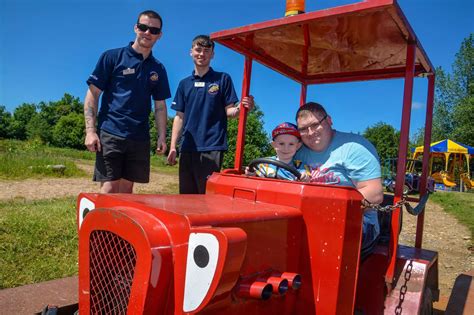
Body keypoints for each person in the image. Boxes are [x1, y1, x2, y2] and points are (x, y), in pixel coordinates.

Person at [84, 10, 171, 194]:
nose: (148, 33)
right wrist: (91, 131)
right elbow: (93, 95)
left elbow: (160, 106)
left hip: (139, 136)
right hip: (111, 131)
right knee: (109, 187)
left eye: (154, 30)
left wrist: (162, 137)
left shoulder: (158, 68)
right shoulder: (112, 57)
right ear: (136, 28)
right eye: (143, 27)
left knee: (126, 191)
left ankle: (116, 224)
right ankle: (100, 224)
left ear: (159, 35)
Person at [167, 35, 254, 194]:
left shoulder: (222, 79)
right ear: (191, 52)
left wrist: (241, 108)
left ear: (212, 54)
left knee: (206, 196)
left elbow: (230, 111)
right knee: (186, 196)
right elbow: (180, 116)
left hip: (212, 145)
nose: (202, 54)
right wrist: (173, 146)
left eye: (207, 51)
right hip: (187, 147)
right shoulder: (184, 84)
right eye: (198, 50)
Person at [294, 102, 384, 256]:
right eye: (303, 129)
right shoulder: (297, 152)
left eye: (315, 125)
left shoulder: (354, 147)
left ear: (329, 120)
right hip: (308, 219)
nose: (310, 132)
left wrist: (324, 212)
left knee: (320, 237)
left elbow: (374, 194)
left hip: (357, 222)